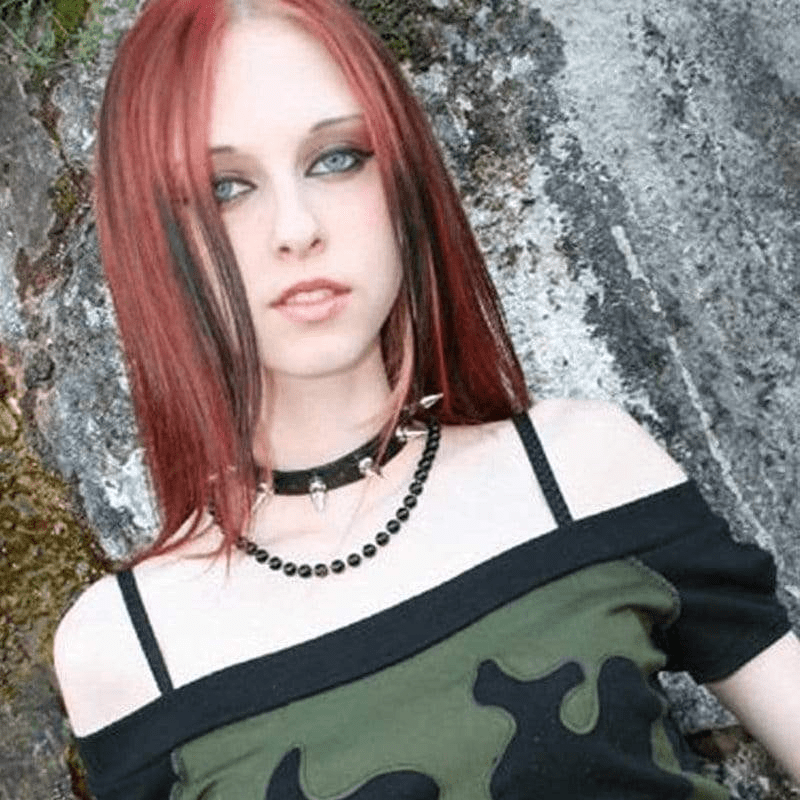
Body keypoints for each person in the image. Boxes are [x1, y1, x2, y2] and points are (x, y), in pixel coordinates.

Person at [53, 0, 800, 797]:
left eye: (337, 159)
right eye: (226, 187)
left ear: (403, 176)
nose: (296, 228)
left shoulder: (579, 474)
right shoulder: (126, 649)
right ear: (152, 236)